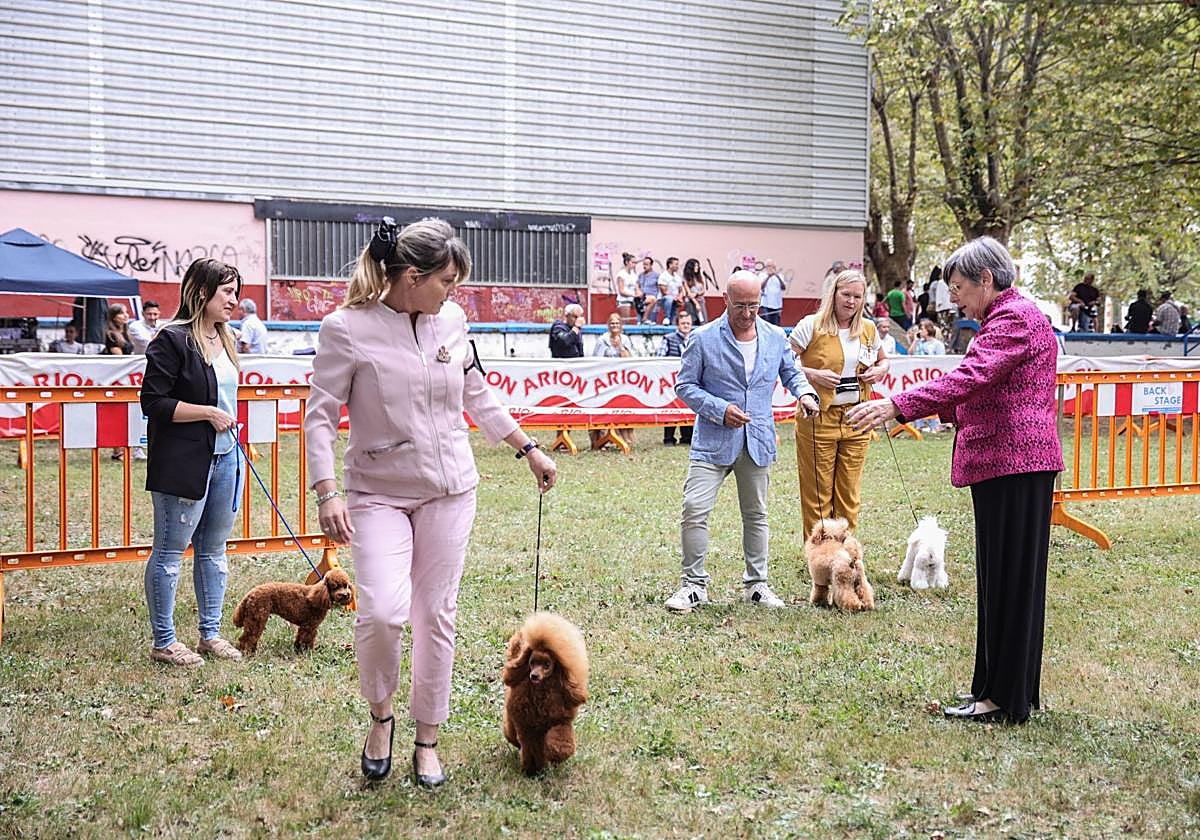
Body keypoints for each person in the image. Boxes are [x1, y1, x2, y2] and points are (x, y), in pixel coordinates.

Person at [305, 218, 556, 786]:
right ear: (412, 277)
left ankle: (427, 737)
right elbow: (319, 417)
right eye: (447, 280)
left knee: (436, 615)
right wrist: (326, 491)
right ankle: (380, 716)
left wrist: (528, 448)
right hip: (377, 494)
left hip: (451, 490)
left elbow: (476, 393)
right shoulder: (345, 328)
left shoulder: (452, 320)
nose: (454, 292)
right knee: (383, 614)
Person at [846, 236, 1064, 724]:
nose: (956, 301)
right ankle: (1012, 691)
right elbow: (980, 384)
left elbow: (970, 377)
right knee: (1014, 582)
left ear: (987, 280)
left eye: (960, 289)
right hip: (1019, 462)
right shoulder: (1017, 317)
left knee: (1007, 581)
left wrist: (898, 405)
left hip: (1012, 460)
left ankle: (999, 698)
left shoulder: (1012, 320)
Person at [665, 271, 819, 612]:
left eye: (754, 305)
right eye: (740, 306)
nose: (748, 313)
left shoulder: (776, 336)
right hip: (712, 440)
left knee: (757, 514)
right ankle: (693, 585)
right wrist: (720, 410)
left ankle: (756, 585)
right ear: (725, 300)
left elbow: (791, 373)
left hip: (758, 439)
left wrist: (805, 394)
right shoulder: (703, 338)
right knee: (694, 509)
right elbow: (685, 386)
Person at [139, 258, 247, 667]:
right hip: (183, 461)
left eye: (236, 293)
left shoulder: (228, 337)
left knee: (214, 550)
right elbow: (153, 402)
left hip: (225, 458)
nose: (234, 301)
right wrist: (206, 412)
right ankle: (164, 641)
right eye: (227, 292)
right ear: (202, 292)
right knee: (170, 551)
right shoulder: (172, 339)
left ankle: (210, 634)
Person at [789, 269, 889, 536]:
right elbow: (784, 362)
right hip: (818, 417)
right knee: (818, 492)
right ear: (833, 294)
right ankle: (821, 553)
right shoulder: (810, 325)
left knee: (849, 490)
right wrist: (813, 374)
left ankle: (845, 550)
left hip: (857, 417)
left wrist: (881, 370)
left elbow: (883, 360)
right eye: (846, 294)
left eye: (858, 296)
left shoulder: (868, 329)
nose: (851, 301)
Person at [591, 312, 635, 448]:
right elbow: (596, 360)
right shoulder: (602, 340)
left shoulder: (626, 339)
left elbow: (630, 359)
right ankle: (602, 439)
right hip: (604, 381)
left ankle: (624, 438)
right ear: (608, 325)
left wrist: (620, 346)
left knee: (623, 409)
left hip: (623, 381)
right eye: (612, 323)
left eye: (617, 323)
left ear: (620, 325)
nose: (614, 326)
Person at [657, 310, 694, 445]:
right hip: (670, 381)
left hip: (690, 380)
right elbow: (659, 358)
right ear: (678, 324)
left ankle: (687, 438)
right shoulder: (668, 338)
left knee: (689, 405)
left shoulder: (696, 338)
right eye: (683, 323)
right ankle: (668, 438)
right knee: (671, 407)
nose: (685, 326)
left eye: (688, 323)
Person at [103, 303, 135, 459]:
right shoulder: (111, 335)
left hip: (126, 377)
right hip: (116, 379)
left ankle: (123, 448)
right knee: (116, 413)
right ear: (114, 317)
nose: (126, 315)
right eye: (122, 313)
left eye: (126, 312)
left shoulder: (126, 333)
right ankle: (117, 450)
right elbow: (119, 357)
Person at [758, 259, 787, 326]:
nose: (770, 268)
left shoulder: (780, 276)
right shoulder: (762, 275)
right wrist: (768, 277)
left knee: (776, 324)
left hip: (777, 305)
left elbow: (783, 287)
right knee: (765, 324)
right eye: (768, 266)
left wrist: (776, 276)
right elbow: (761, 287)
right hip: (765, 304)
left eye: (771, 266)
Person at [658, 257, 684, 325]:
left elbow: (681, 290)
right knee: (669, 298)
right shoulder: (663, 276)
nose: (677, 266)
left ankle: (672, 322)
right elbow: (664, 291)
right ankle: (667, 317)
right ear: (670, 265)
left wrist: (679, 297)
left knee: (674, 318)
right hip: (664, 300)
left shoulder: (677, 277)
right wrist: (674, 297)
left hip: (675, 300)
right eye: (676, 264)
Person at [615, 253, 638, 323]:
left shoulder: (634, 275)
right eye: (633, 262)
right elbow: (621, 291)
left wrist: (639, 294)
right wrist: (633, 295)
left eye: (635, 263)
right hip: (624, 300)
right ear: (627, 262)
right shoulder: (621, 274)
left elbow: (636, 287)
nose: (634, 264)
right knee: (626, 321)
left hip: (633, 300)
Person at [682, 258, 707, 324]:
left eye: (698, 266)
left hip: (701, 300)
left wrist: (696, 294)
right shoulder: (686, 278)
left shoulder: (699, 277)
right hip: (691, 302)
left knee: (703, 321)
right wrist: (696, 303)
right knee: (692, 321)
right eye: (695, 266)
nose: (697, 267)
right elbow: (689, 293)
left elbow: (703, 290)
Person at [637, 256, 660, 325]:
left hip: (653, 301)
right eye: (644, 264)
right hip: (642, 300)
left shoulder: (656, 276)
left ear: (651, 265)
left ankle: (645, 319)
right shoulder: (641, 275)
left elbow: (659, 288)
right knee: (639, 322)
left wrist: (658, 299)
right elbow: (638, 286)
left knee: (652, 322)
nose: (644, 266)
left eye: (646, 264)